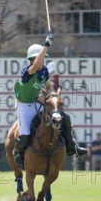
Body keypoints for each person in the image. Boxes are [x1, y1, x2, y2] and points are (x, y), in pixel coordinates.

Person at [12, 34, 87, 170]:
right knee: (24, 134)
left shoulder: (44, 71)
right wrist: (46, 45)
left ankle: (72, 146)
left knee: (62, 117)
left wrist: (46, 95)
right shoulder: (28, 71)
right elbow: (37, 65)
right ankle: (17, 153)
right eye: (38, 58)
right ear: (32, 60)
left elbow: (48, 86)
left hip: (35, 103)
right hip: (23, 106)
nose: (42, 62)